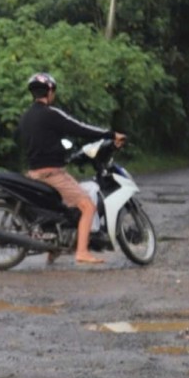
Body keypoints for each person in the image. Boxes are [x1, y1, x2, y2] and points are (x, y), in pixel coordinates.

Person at [16, 72, 126, 265]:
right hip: (52, 174)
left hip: (33, 174)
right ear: (49, 91)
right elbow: (79, 128)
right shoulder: (51, 114)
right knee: (87, 206)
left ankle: (54, 249)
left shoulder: (25, 117)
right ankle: (82, 252)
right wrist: (110, 134)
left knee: (62, 210)